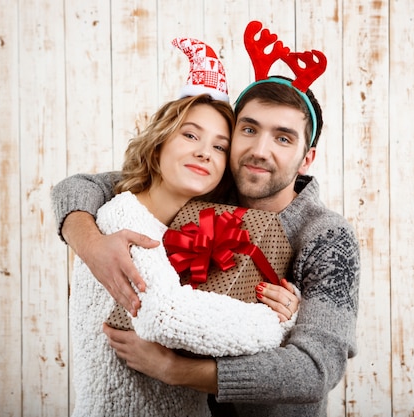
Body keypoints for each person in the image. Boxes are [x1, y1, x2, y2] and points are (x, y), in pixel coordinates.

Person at [53, 21, 360, 417]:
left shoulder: (327, 237)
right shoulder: (206, 187)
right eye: (248, 129)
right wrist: (92, 246)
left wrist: (179, 370)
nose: (260, 150)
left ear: (307, 158)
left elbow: (315, 370)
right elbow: (80, 187)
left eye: (283, 138)